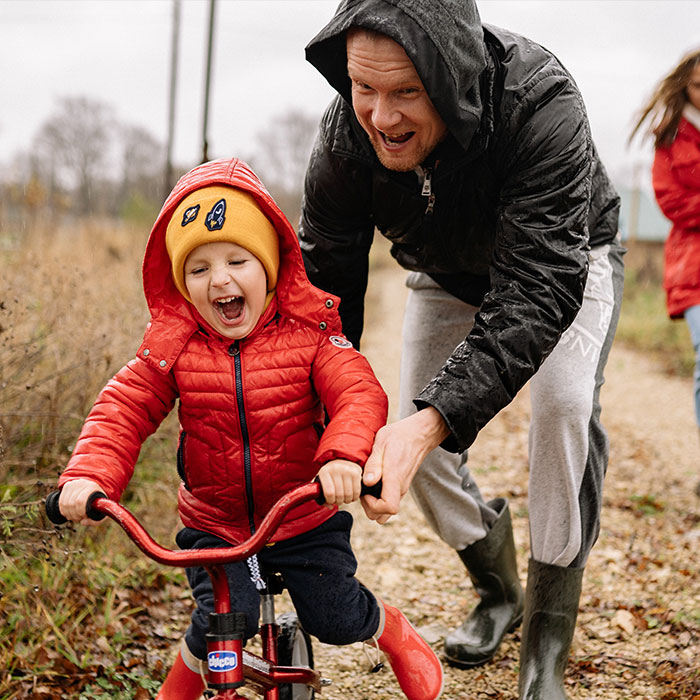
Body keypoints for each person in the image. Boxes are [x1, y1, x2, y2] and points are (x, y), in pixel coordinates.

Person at [299, 2, 624, 698]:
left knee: (562, 407)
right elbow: (324, 293)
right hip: (445, 273)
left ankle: (546, 643)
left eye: (406, 91)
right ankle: (499, 589)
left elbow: (538, 287)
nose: (380, 116)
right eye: (364, 88)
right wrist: (322, 417)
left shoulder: (541, 101)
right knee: (411, 432)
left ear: (450, 78)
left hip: (564, 260)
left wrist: (434, 419)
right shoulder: (343, 141)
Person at [55, 157, 443, 700]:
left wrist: (342, 458)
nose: (220, 280)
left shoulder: (309, 335)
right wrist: (89, 476)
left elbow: (358, 392)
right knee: (222, 620)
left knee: (333, 615)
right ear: (182, 284)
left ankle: (390, 629)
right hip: (216, 524)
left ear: (270, 267)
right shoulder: (174, 347)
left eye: (238, 259)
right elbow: (123, 408)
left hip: (302, 514)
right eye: (198, 269)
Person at [630, 48, 700, 497]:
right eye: (698, 85)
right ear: (685, 86)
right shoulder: (671, 135)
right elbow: (670, 200)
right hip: (694, 267)